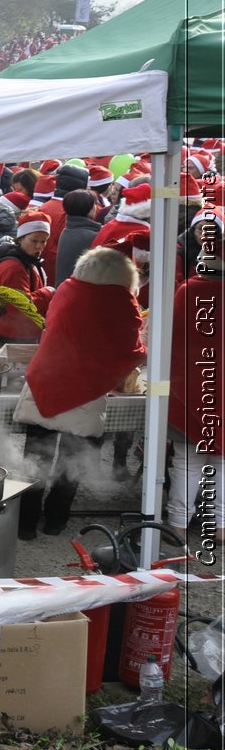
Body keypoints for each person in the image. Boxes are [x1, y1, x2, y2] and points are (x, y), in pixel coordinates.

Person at [13, 246, 146, 539]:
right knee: (73, 461)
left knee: (35, 459)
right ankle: (55, 521)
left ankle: (25, 525)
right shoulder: (122, 301)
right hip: (86, 389)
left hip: (45, 380)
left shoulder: (66, 289)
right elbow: (131, 350)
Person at [168, 217, 223, 538]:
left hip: (190, 383)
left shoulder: (187, 291)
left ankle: (177, 524)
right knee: (222, 460)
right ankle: (220, 525)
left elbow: (170, 336)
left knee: (186, 459)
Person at [0, 211, 55, 346]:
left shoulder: (27, 261)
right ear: (20, 239)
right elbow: (20, 306)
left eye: (44, 241)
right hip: (12, 338)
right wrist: (48, 293)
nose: (39, 246)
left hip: (18, 334)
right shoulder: (14, 267)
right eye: (34, 240)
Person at [54, 189, 102, 285]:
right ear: (89, 210)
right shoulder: (91, 236)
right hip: (77, 292)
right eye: (94, 205)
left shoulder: (69, 229)